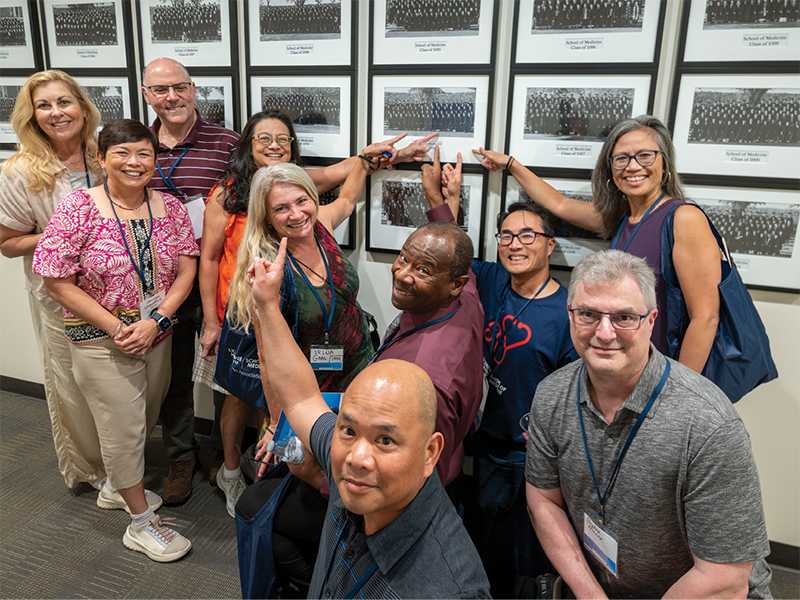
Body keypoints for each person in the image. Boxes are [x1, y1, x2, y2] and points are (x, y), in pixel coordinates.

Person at [235, 202, 484, 597]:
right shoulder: (465, 297)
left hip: (390, 510)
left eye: (423, 271)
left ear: (453, 282)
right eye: (404, 259)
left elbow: (407, 479)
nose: (402, 275)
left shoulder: (426, 378)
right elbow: (301, 399)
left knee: (255, 508)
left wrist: (321, 478)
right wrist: (266, 302)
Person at [199, 109, 437, 515]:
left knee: (354, 458)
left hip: (355, 364)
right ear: (266, 216)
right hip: (309, 388)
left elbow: (346, 196)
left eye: (302, 201)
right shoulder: (267, 269)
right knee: (317, 475)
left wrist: (371, 160)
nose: (296, 214)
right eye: (281, 210)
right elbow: (268, 356)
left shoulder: (320, 226)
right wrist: (277, 421)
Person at [524, 250, 772, 598]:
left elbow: (725, 578)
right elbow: (543, 500)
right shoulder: (551, 396)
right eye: (588, 314)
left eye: (624, 317)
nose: (604, 333)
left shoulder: (707, 423)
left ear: (651, 321)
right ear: (570, 315)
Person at [32, 119, 198, 562]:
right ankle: (142, 525)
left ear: (155, 160)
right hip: (101, 337)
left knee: (143, 415)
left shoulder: (171, 207)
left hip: (155, 332)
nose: (134, 162)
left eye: (144, 153)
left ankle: (113, 487)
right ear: (102, 159)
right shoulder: (79, 206)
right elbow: (55, 280)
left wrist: (158, 321)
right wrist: (116, 326)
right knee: (122, 426)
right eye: (121, 153)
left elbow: (186, 270)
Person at [422, 147, 578, 598]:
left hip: (532, 452)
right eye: (506, 236)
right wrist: (441, 199)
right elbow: (450, 250)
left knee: (528, 549)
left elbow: (576, 392)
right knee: (486, 539)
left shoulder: (568, 312)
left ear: (550, 244)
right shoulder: (490, 282)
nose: (515, 244)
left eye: (528, 235)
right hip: (487, 442)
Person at [475, 115, 721, 375]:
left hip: (661, 372)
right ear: (611, 167)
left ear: (664, 162)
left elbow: (705, 318)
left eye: (645, 156)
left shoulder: (683, 218)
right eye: (621, 158)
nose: (633, 166)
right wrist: (512, 165)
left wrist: (679, 393)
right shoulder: (624, 219)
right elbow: (560, 204)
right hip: (627, 367)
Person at [0, 70, 106, 490]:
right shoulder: (19, 171)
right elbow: (8, 244)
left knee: (110, 383)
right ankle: (92, 470)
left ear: (82, 106)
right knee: (72, 385)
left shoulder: (105, 153)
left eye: (64, 102)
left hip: (114, 293)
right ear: (32, 116)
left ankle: (119, 457)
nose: (56, 112)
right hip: (58, 296)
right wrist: (65, 234)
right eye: (44, 105)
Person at [142, 57, 240, 504]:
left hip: (221, 276)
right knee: (172, 373)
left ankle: (225, 454)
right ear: (147, 95)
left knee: (226, 371)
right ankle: (181, 456)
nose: (171, 97)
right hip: (166, 282)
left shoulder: (226, 142)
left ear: (194, 89)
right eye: (160, 90)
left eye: (179, 87)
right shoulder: (139, 146)